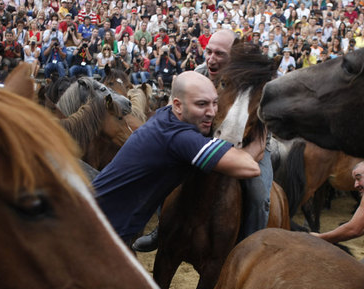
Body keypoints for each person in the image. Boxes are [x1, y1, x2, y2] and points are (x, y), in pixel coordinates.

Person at [92, 71, 263, 247]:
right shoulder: (180, 138)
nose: (212, 112)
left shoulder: (166, 115)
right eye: (202, 104)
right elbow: (251, 167)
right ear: (178, 105)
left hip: (94, 216)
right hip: (97, 230)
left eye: (215, 103)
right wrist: (261, 134)